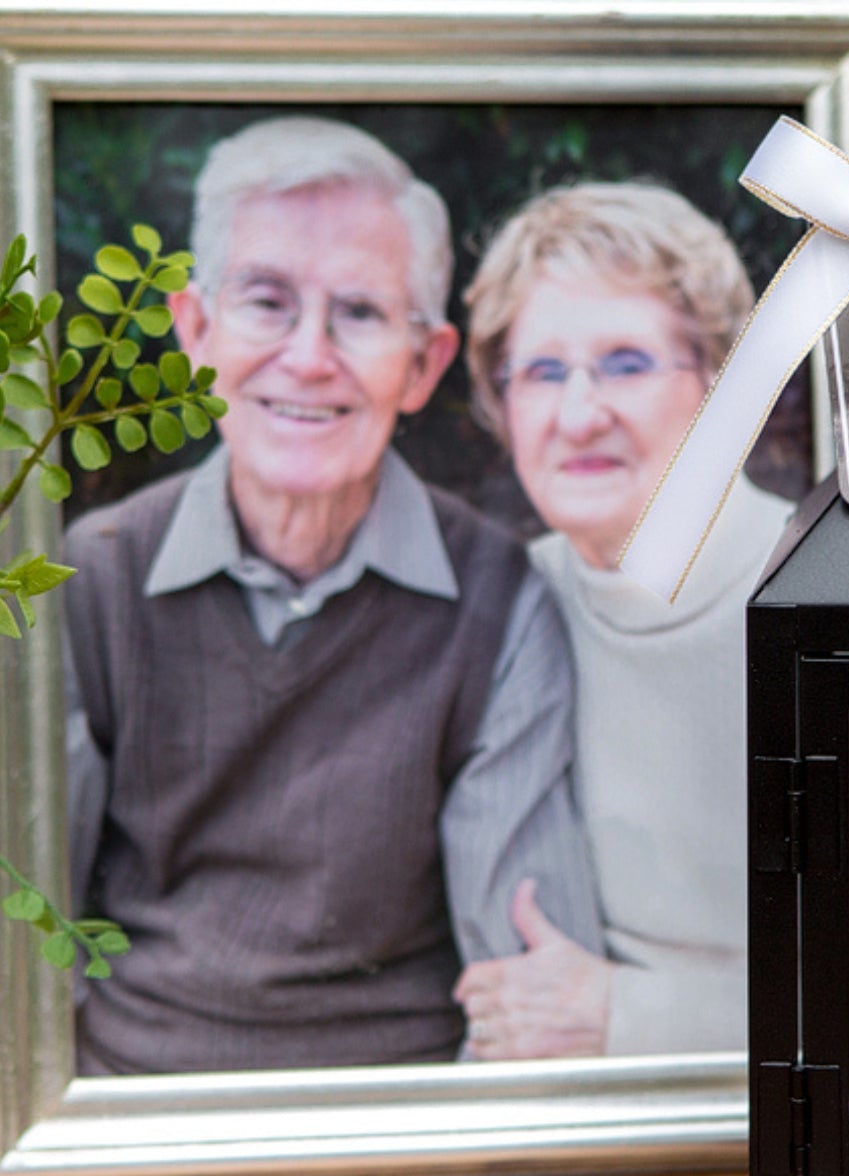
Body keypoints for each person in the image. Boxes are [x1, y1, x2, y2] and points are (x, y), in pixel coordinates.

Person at [64, 117, 602, 1075]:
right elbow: (29, 940)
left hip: (399, 1123)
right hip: (128, 1111)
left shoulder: (499, 601)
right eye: (266, 302)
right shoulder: (93, 575)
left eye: (358, 313)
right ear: (196, 331)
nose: (309, 357)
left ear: (425, 365)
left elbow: (521, 977)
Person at [455, 181, 790, 1059]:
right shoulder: (501, 607)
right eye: (540, 372)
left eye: (627, 364)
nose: (578, 414)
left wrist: (627, 1018)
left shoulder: (827, 599)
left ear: (722, 384)